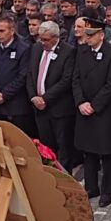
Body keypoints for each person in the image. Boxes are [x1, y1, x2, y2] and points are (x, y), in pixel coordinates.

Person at [72, 17, 111, 207]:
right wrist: (81, 102)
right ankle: (91, 186)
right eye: (87, 34)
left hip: (102, 111)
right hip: (83, 109)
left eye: (92, 35)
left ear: (101, 35)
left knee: (105, 152)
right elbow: (75, 79)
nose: (88, 38)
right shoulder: (82, 52)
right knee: (88, 151)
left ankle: (107, 190)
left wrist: (94, 105)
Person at [26, 20, 78, 171]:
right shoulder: (36, 49)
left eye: (46, 40)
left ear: (56, 38)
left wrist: (45, 98)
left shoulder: (68, 51)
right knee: (46, 146)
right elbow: (30, 75)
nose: (43, 42)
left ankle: (64, 176)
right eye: (41, 39)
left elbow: (66, 80)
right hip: (39, 108)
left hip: (59, 108)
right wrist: (33, 97)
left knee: (63, 146)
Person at [0, 16, 35, 138]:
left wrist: (4, 94)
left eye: (2, 31)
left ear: (12, 31)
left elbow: (22, 76)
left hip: (16, 106)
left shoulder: (24, 48)